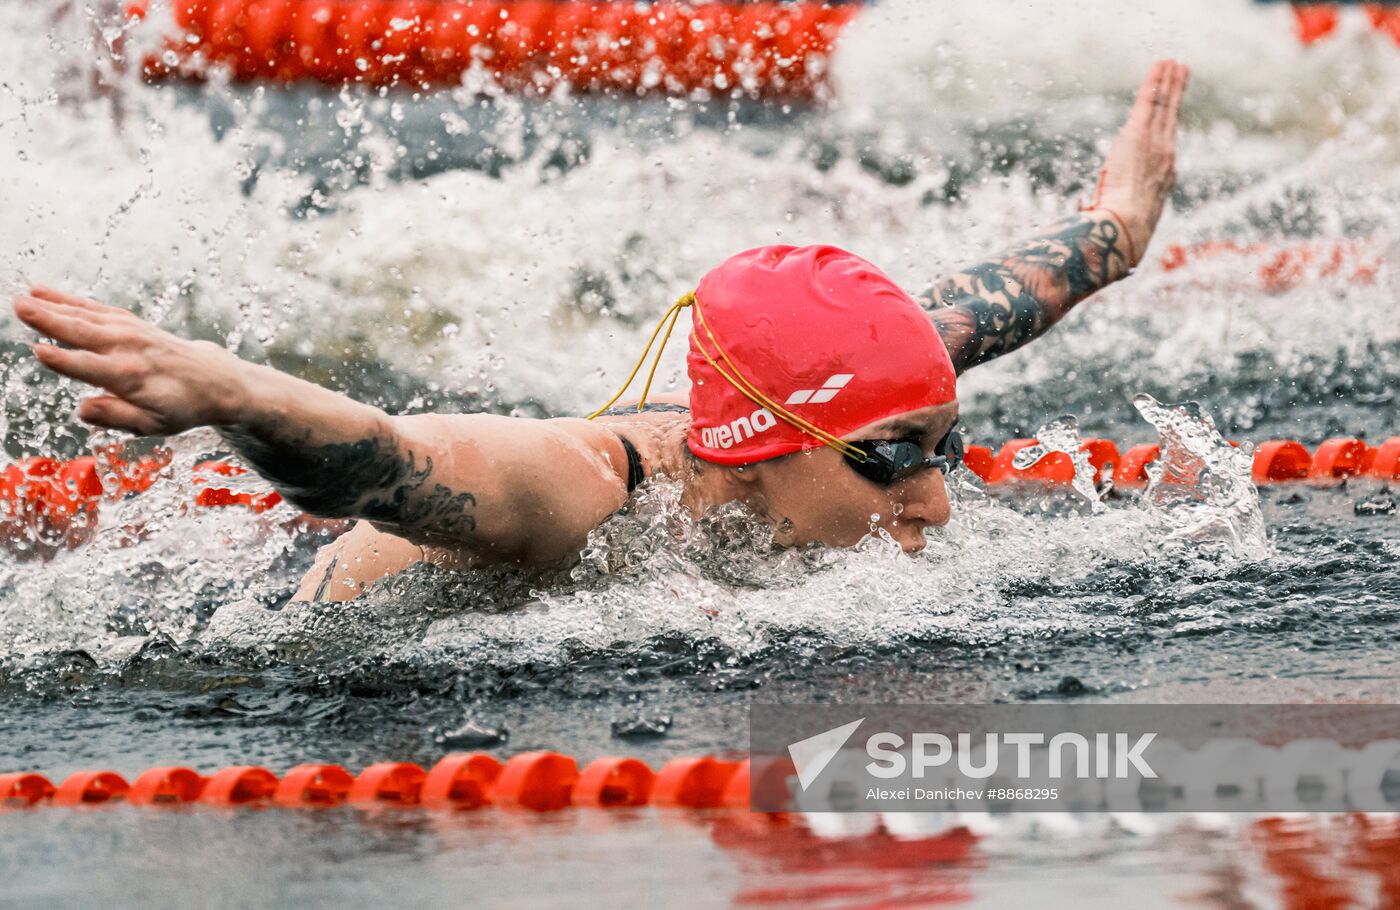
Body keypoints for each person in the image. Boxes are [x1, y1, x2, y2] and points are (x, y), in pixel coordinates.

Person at [12, 60, 1189, 603]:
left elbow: (976, 311)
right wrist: (236, 393)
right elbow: (386, 461)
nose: (935, 499)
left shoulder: (845, 402)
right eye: (888, 460)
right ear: (751, 447)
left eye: (943, 447)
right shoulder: (581, 491)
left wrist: (1114, 234)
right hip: (284, 620)